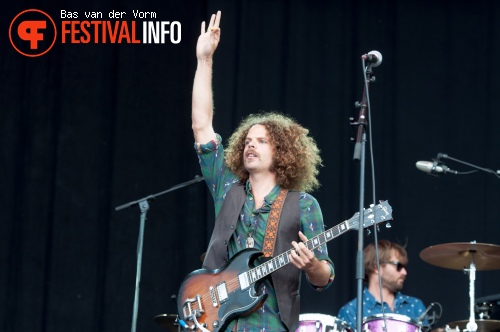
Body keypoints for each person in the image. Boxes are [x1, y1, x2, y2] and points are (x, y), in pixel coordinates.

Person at [191, 11, 335, 332]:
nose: (250, 145)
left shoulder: (304, 205)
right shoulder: (228, 187)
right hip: (219, 323)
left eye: (262, 141)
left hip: (270, 325)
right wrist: (205, 61)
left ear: (283, 152)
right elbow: (202, 127)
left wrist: (312, 266)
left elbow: (324, 276)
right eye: (247, 140)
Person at [337, 240, 428, 330]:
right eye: (398, 266)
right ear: (376, 267)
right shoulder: (351, 311)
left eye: (404, 267)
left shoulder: (415, 305)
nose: (404, 272)